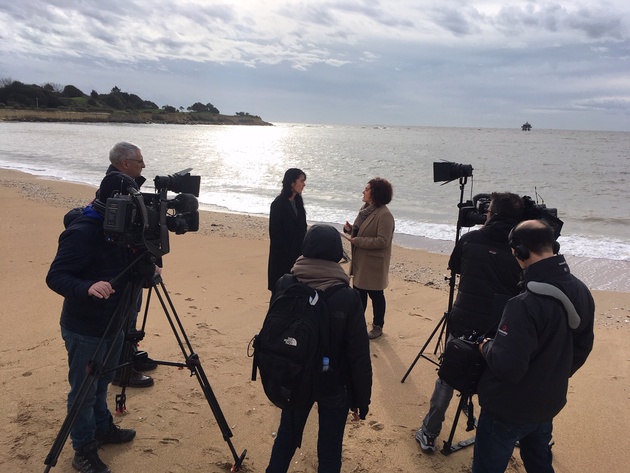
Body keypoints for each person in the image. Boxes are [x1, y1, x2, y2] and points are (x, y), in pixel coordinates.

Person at [47, 170, 155, 473]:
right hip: (85, 327)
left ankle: (103, 427)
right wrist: (87, 287)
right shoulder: (83, 230)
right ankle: (83, 449)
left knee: (103, 381)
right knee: (83, 391)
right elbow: (56, 276)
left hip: (115, 321)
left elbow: (127, 267)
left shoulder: (122, 228)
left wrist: (148, 273)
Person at [472, 219, 595, 472]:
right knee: (540, 463)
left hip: (507, 409)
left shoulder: (523, 304)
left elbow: (508, 367)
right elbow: (583, 347)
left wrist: (486, 346)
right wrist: (553, 374)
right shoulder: (582, 290)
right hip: (547, 402)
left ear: (520, 252)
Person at [416, 192, 524, 451]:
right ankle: (497, 434)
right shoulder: (522, 248)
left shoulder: (469, 238)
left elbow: (455, 267)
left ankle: (429, 432)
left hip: (463, 319)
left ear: (491, 213)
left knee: (448, 375)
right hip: (500, 327)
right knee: (495, 380)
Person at [266, 225, 372, 473]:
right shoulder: (347, 297)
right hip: (334, 384)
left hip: (293, 376)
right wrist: (361, 399)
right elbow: (358, 354)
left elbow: (274, 333)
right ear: (337, 254)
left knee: (286, 438)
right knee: (330, 448)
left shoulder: (285, 283)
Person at [102, 142, 156, 389]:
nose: (143, 165)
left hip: (125, 260)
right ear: (125, 164)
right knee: (127, 317)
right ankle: (123, 371)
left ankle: (131, 356)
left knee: (131, 314)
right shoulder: (121, 184)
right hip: (123, 263)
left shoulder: (115, 181)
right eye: (139, 161)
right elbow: (137, 227)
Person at [343, 177, 394, 340]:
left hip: (373, 264)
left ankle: (378, 326)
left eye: (367, 189)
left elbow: (383, 240)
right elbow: (362, 230)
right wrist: (350, 230)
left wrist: (358, 240)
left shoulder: (385, 214)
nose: (363, 191)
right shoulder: (366, 209)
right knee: (358, 294)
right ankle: (358, 324)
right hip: (361, 261)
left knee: (376, 296)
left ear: (375, 193)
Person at [267, 168, 307, 291]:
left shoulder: (298, 202)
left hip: (298, 259)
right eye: (301, 181)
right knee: (280, 294)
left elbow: (302, 229)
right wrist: (289, 254)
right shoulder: (278, 204)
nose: (304, 184)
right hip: (282, 259)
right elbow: (275, 235)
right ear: (291, 183)